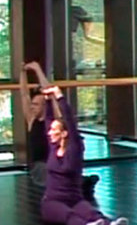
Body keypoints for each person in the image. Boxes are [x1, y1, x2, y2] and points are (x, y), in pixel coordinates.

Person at [39, 84, 129, 225]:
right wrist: (48, 100)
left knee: (91, 213)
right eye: (51, 129)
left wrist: (59, 96)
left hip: (74, 199)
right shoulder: (54, 147)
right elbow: (48, 120)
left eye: (54, 130)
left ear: (64, 133)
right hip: (52, 201)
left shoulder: (75, 148)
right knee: (67, 214)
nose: (50, 132)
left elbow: (70, 121)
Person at [20, 62, 100, 198]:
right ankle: (82, 184)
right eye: (33, 104)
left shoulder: (52, 120)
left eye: (36, 104)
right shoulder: (31, 120)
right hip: (40, 166)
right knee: (50, 173)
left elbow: (49, 91)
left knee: (63, 170)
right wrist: (22, 73)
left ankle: (82, 183)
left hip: (57, 161)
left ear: (44, 106)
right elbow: (24, 95)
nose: (32, 107)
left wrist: (37, 69)